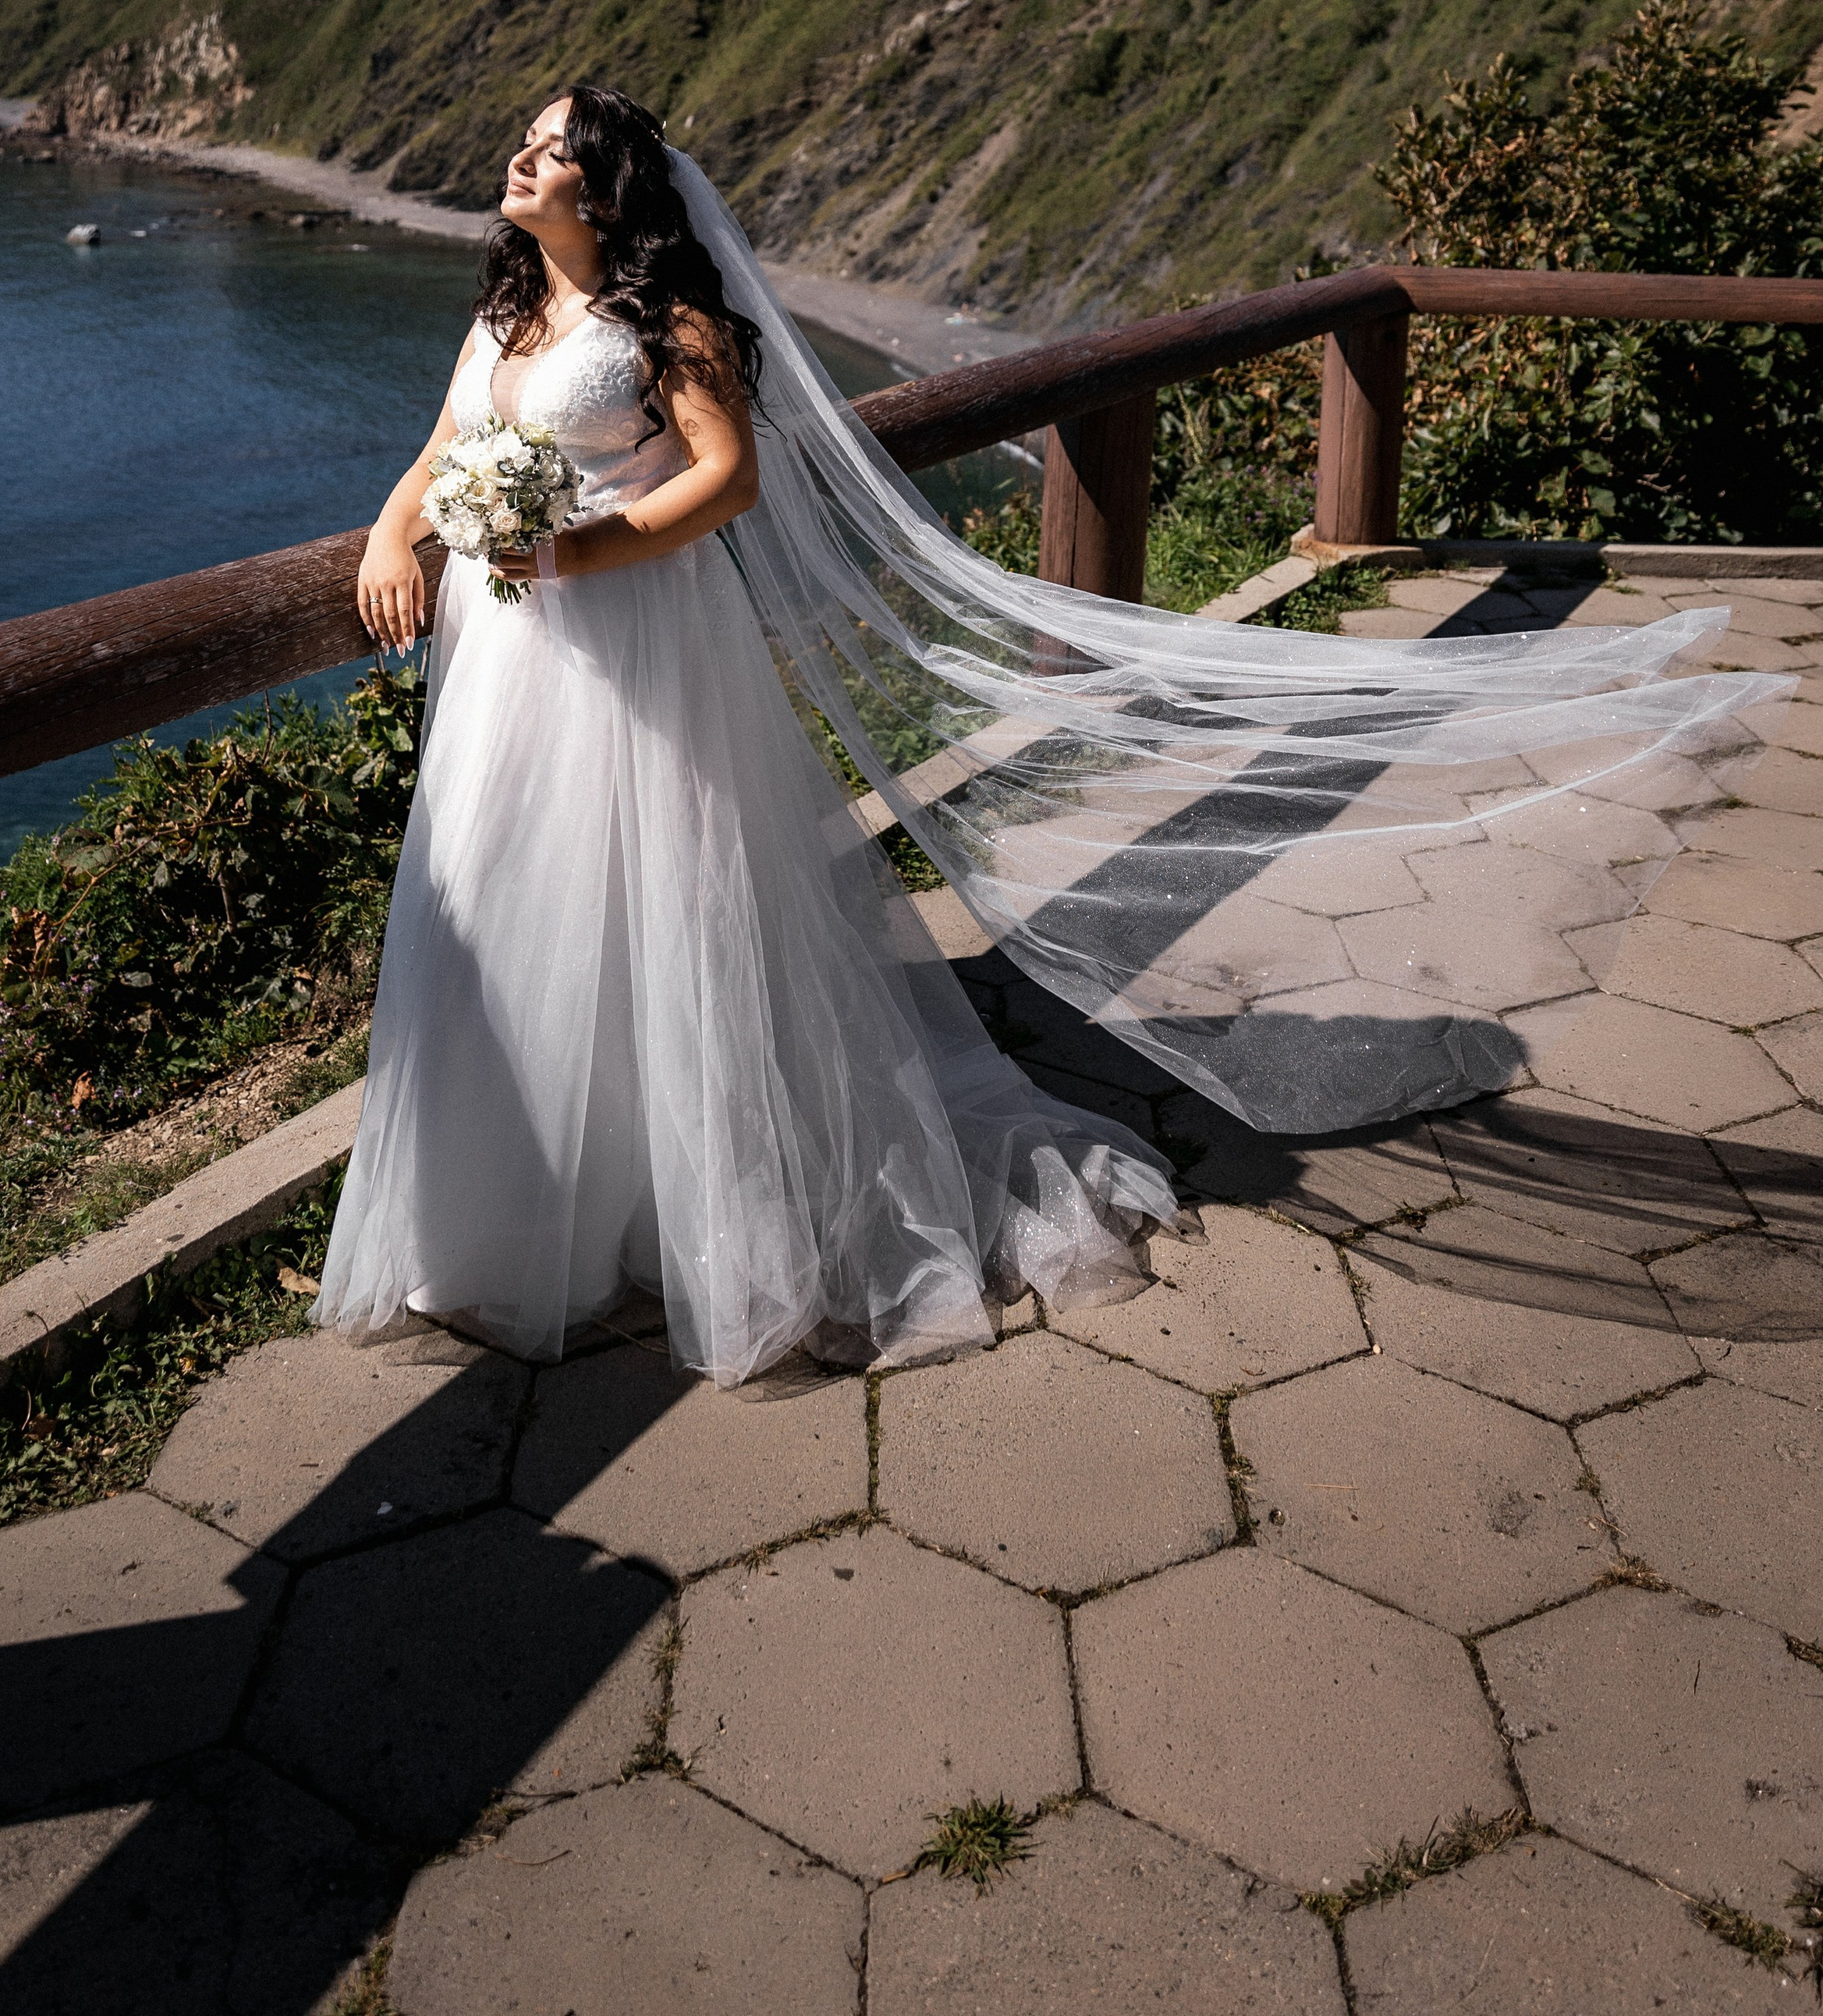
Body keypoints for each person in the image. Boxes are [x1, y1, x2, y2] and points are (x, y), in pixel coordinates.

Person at [318, 84, 1782, 1385]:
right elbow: (453, 450)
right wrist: (398, 536)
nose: (521, 161)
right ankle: (503, 1219)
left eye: (551, 149)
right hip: (509, 656)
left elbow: (727, 482)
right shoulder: (508, 311)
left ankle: (665, 1207)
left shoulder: (668, 319)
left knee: (654, 902)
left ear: (608, 189)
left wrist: (579, 553)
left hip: (628, 630)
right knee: (511, 909)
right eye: (524, 146)